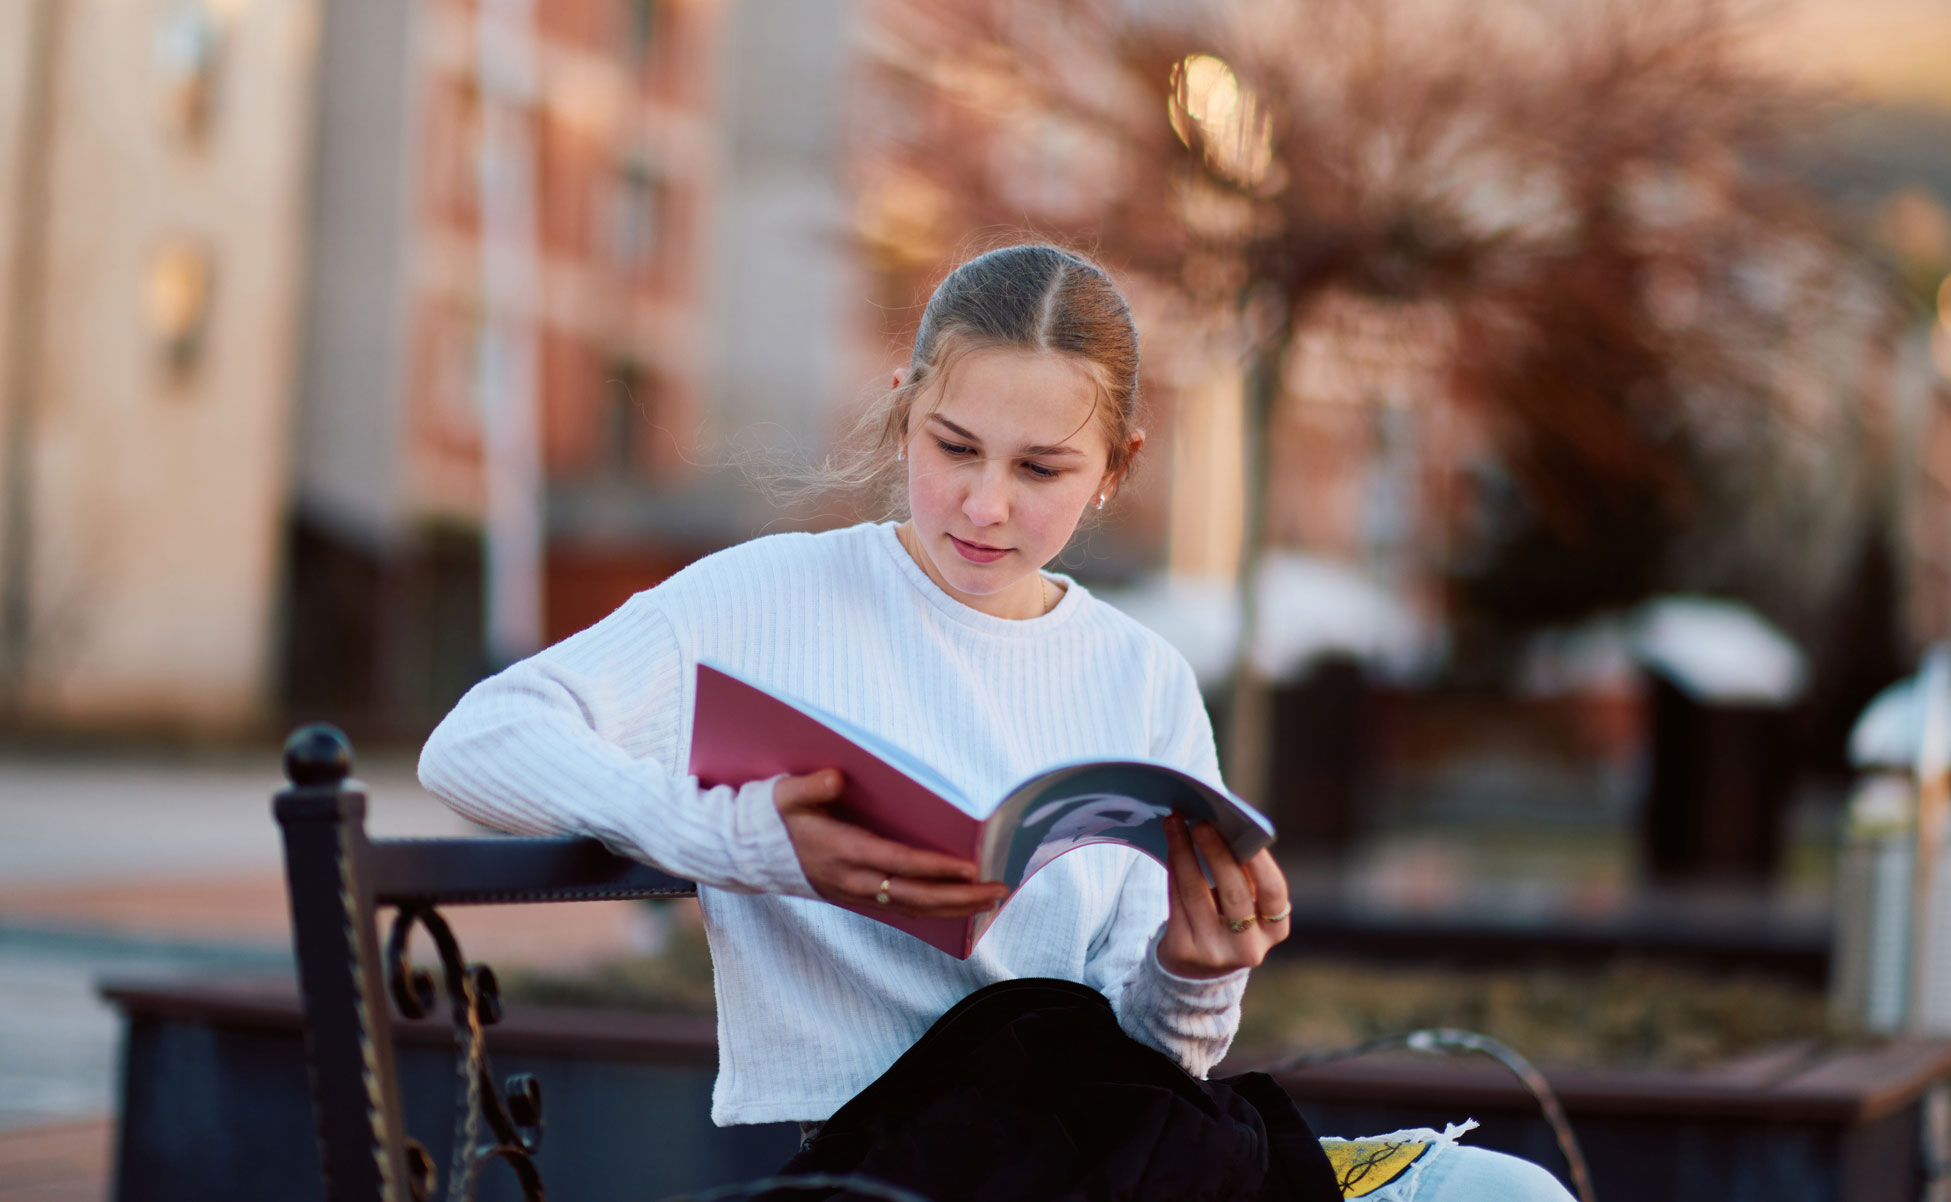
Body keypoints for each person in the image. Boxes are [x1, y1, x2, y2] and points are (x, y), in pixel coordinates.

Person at [419, 244, 1575, 1201]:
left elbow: (1158, 1061)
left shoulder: (1141, 673)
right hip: (881, 1163)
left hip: (1094, 1142)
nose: (984, 505)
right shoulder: (765, 597)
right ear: (903, 408)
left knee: (1514, 1195)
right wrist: (745, 837)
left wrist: (1196, 966)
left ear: (1115, 469)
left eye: (1041, 468)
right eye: (953, 447)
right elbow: (476, 740)